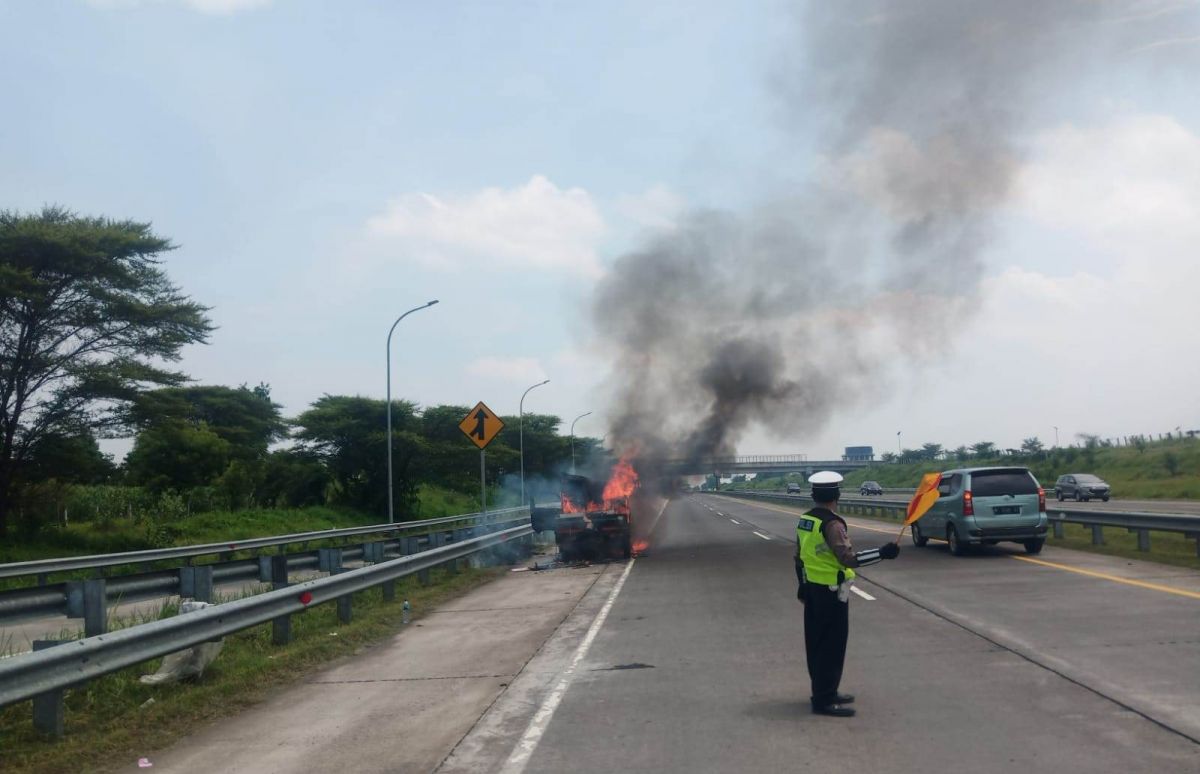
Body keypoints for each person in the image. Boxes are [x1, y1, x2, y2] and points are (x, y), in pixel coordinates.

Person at [795, 470, 899, 717]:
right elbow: (848, 559)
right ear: (837, 495)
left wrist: (801, 584)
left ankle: (826, 691)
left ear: (814, 495)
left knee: (817, 643)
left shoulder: (805, 520)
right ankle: (823, 700)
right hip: (832, 592)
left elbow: (798, 556)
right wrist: (882, 554)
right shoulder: (832, 524)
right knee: (832, 645)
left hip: (813, 590)